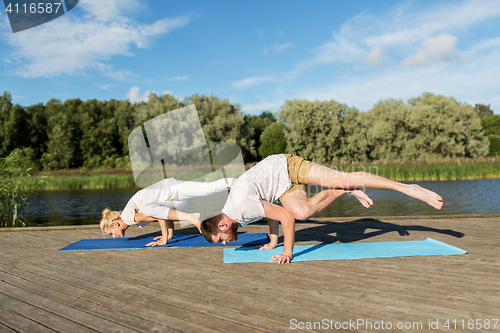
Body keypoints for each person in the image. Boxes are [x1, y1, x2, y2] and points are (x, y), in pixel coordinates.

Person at [201, 154, 443, 263]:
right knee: (303, 212)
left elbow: (284, 217)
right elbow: (268, 210)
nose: (226, 242)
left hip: (287, 167)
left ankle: (407, 188)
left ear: (222, 225)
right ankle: (345, 189)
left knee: (342, 177)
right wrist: (273, 241)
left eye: (222, 239)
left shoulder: (239, 208)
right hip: (281, 189)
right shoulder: (234, 213)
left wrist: (287, 252)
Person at [101, 177, 236, 247]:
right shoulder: (129, 215)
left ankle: (191, 217)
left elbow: (159, 216)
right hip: (173, 199)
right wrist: (170, 234)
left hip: (172, 190)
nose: (114, 236)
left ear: (115, 224)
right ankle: (191, 217)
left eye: (111, 233)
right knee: (208, 189)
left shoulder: (128, 218)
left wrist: (164, 240)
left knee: (149, 209)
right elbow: (163, 213)